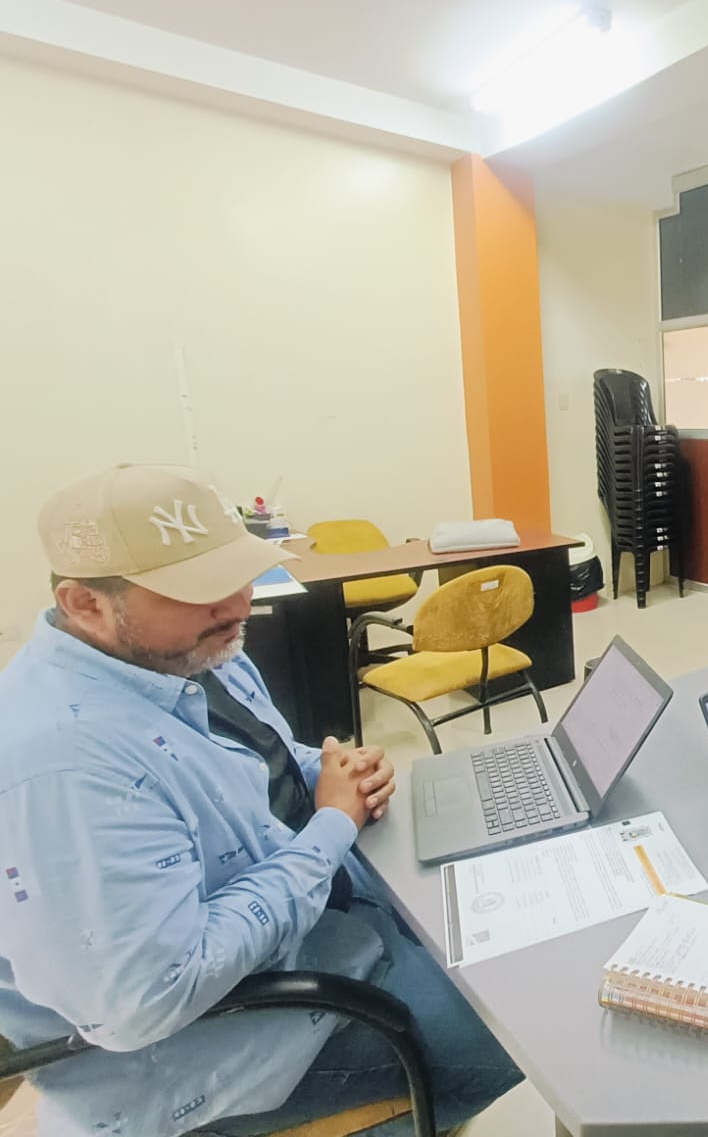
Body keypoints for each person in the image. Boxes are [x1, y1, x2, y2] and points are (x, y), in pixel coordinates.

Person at [0, 464, 522, 1137]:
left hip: (319, 926)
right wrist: (332, 825)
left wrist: (332, 770)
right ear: (85, 604)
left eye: (241, 576)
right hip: (206, 1048)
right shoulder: (62, 769)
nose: (240, 606)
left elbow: (255, 759)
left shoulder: (186, 652)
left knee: (517, 926)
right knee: (524, 1026)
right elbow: (147, 1002)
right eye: (200, 592)